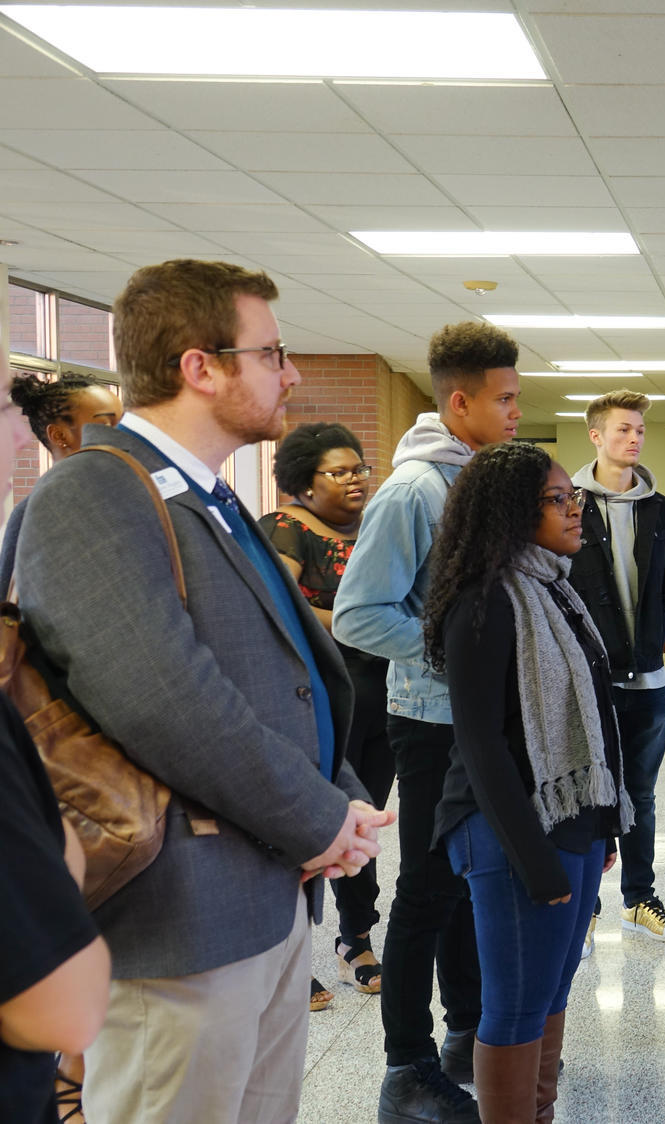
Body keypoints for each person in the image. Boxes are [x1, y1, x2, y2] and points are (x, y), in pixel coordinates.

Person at [15, 258, 391, 1124]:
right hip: (179, 920)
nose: (290, 373)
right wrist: (318, 818)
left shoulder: (209, 495)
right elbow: (164, 698)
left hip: (263, 895)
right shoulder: (94, 492)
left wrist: (340, 799)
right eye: (271, 353)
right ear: (200, 366)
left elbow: (278, 676)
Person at [334, 321, 522, 1124]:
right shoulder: (416, 490)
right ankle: (405, 1065)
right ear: (460, 401)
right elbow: (357, 613)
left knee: (469, 884)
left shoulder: (475, 479)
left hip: (480, 716)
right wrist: (455, 650)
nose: (517, 411)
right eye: (505, 399)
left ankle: (465, 1030)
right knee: (426, 892)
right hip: (433, 720)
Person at [423, 441, 631, 1122]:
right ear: (512, 511)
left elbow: (593, 714)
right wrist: (535, 861)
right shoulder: (483, 603)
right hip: (507, 831)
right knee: (515, 1003)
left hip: (569, 818)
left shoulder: (552, 587)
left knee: (551, 990)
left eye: (573, 498)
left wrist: (602, 825)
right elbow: (481, 745)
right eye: (556, 499)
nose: (575, 510)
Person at [0, 371, 122, 1122]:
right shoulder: (46, 511)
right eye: (103, 420)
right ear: (64, 435)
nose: (120, 430)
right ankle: (73, 1085)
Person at [261, 422, 393, 1013]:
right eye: (338, 471)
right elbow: (281, 609)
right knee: (310, 824)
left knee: (365, 822)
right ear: (303, 483)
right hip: (314, 704)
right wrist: (355, 620)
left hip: (384, 697)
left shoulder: (379, 530)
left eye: (360, 467)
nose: (356, 479)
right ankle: (294, 958)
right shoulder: (284, 530)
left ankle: (356, 938)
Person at [569, 389, 665, 953]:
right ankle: (585, 908)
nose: (634, 438)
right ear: (596, 436)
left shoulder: (659, 508)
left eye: (640, 430)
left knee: (640, 793)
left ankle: (639, 899)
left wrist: (658, 631)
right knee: (595, 792)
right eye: (622, 430)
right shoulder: (566, 503)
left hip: (648, 678)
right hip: (589, 680)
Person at [0, 372, 123, 590]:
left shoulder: (126, 498)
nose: (122, 436)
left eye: (123, 425)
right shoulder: (35, 512)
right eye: (105, 425)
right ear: (59, 436)